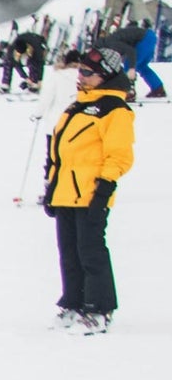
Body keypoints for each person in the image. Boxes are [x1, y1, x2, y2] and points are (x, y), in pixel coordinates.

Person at [45, 46, 133, 334]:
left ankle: (99, 308)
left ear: (104, 76)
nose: (80, 76)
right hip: (65, 192)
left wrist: (104, 189)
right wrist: (51, 186)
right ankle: (74, 302)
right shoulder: (77, 105)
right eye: (80, 70)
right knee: (68, 251)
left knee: (90, 251)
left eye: (87, 73)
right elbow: (59, 150)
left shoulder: (114, 109)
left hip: (91, 193)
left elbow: (119, 156)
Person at [2, 27, 49, 95]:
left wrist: (39, 80)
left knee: (33, 62)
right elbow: (16, 64)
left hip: (37, 42)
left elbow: (40, 63)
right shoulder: (12, 48)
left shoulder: (36, 48)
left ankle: (34, 83)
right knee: (8, 61)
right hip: (23, 43)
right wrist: (25, 77)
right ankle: (5, 84)